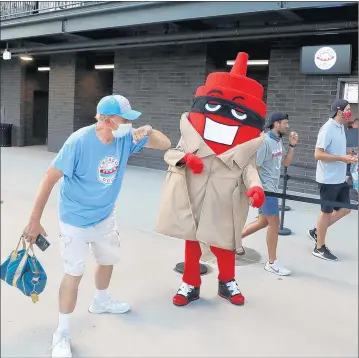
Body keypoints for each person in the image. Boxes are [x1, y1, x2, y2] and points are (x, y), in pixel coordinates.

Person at [22, 94, 171, 358]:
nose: (128, 122)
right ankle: (62, 333)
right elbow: (49, 178)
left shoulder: (125, 138)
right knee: (74, 274)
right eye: (124, 118)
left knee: (107, 259)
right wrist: (34, 221)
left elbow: (165, 144)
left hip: (105, 217)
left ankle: (101, 301)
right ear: (106, 120)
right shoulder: (79, 142)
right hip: (75, 220)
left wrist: (148, 131)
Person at [156, 52, 266, 307]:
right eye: (215, 106)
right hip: (194, 195)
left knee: (224, 243)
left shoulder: (245, 148)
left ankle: (227, 283)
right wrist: (186, 159)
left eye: (238, 113)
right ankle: (190, 283)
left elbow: (250, 169)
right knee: (192, 241)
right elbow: (171, 153)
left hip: (224, 199)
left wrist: (256, 188)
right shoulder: (192, 137)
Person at [236, 112, 298, 276]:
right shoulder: (264, 142)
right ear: (276, 124)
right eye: (285, 123)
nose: (287, 126)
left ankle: (233, 241)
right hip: (266, 190)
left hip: (273, 190)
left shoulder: (278, 141)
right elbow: (254, 168)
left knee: (263, 222)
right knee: (274, 224)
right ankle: (272, 262)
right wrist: (253, 191)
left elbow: (285, 163)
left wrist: (292, 146)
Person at [307, 99, 358, 261]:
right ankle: (319, 247)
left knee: (346, 208)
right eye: (348, 109)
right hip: (328, 179)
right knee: (326, 212)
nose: (350, 112)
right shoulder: (328, 128)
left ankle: (317, 231)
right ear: (339, 111)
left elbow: (340, 150)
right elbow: (318, 154)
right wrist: (341, 158)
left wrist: (351, 153)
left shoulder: (341, 128)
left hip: (339, 178)